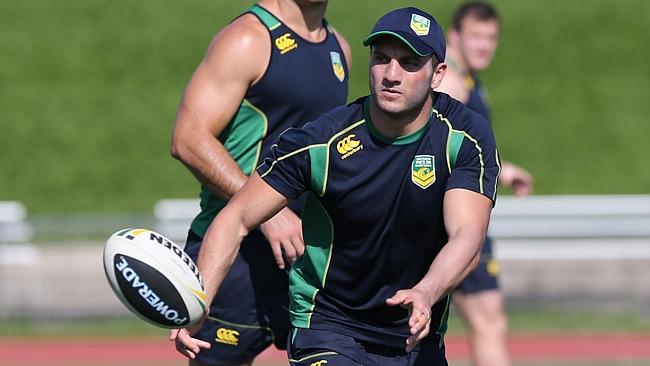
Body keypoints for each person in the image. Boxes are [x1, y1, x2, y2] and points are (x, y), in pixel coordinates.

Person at [174, 7, 501, 365]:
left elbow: (468, 234)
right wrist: (198, 301)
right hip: (327, 322)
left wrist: (427, 291)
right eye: (382, 59)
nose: (392, 74)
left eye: (409, 63)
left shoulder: (464, 136)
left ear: (438, 74)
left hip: (412, 333)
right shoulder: (320, 140)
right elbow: (233, 215)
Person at [169, 0, 351, 365]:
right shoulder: (248, 38)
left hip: (307, 254)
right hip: (235, 252)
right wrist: (267, 212)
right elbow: (188, 138)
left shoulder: (340, 48)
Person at [435, 2, 534, 366]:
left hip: (460, 217)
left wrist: (500, 168)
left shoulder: (470, 79)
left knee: (484, 320)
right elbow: (434, 148)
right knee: (487, 321)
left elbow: (464, 146)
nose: (485, 46)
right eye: (476, 36)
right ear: (454, 36)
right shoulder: (451, 82)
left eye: (491, 38)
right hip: (454, 221)